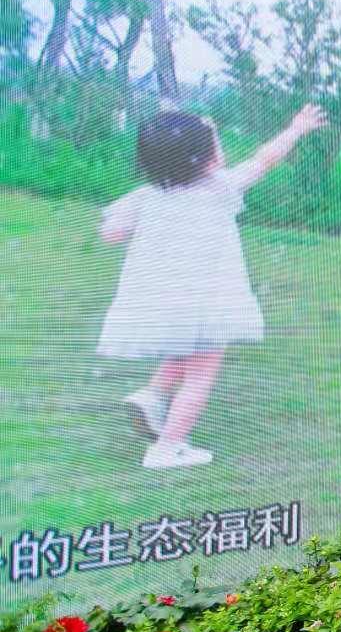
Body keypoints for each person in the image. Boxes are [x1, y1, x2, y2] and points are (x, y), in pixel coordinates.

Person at [98, 105, 328, 469]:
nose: (219, 146)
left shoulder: (148, 195)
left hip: (162, 301)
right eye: (214, 141)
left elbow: (111, 233)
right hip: (207, 303)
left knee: (183, 350)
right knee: (200, 374)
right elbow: (265, 159)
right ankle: (167, 447)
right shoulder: (220, 188)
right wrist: (297, 128)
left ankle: (153, 395)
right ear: (203, 159)